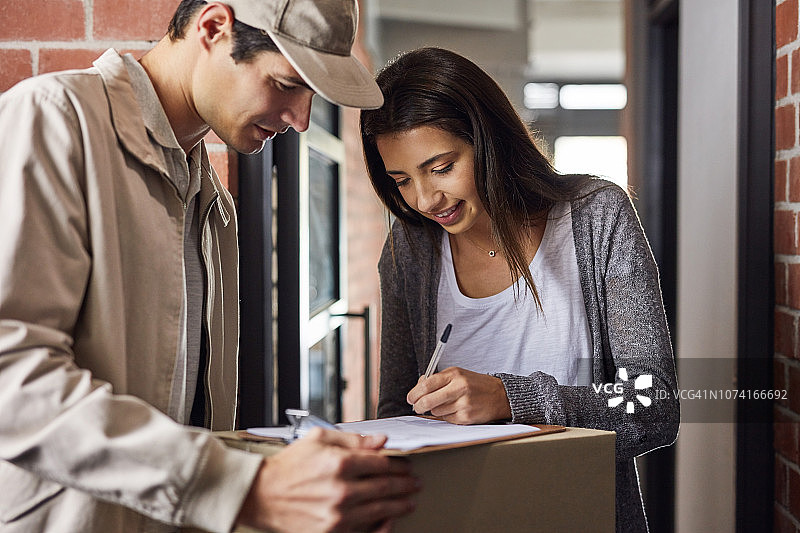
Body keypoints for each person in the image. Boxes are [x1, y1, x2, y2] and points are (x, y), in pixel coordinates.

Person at [0, 1, 420, 532]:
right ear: (215, 27)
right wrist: (240, 486)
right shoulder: (53, 119)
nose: (300, 119)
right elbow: (11, 378)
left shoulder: (214, 202)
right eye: (287, 84)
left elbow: (188, 420)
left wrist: (288, 470)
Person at [360, 47, 679, 533]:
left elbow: (654, 406)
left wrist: (512, 399)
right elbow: (396, 412)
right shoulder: (410, 248)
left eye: (441, 167)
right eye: (401, 180)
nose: (424, 199)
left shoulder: (597, 217)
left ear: (489, 141)